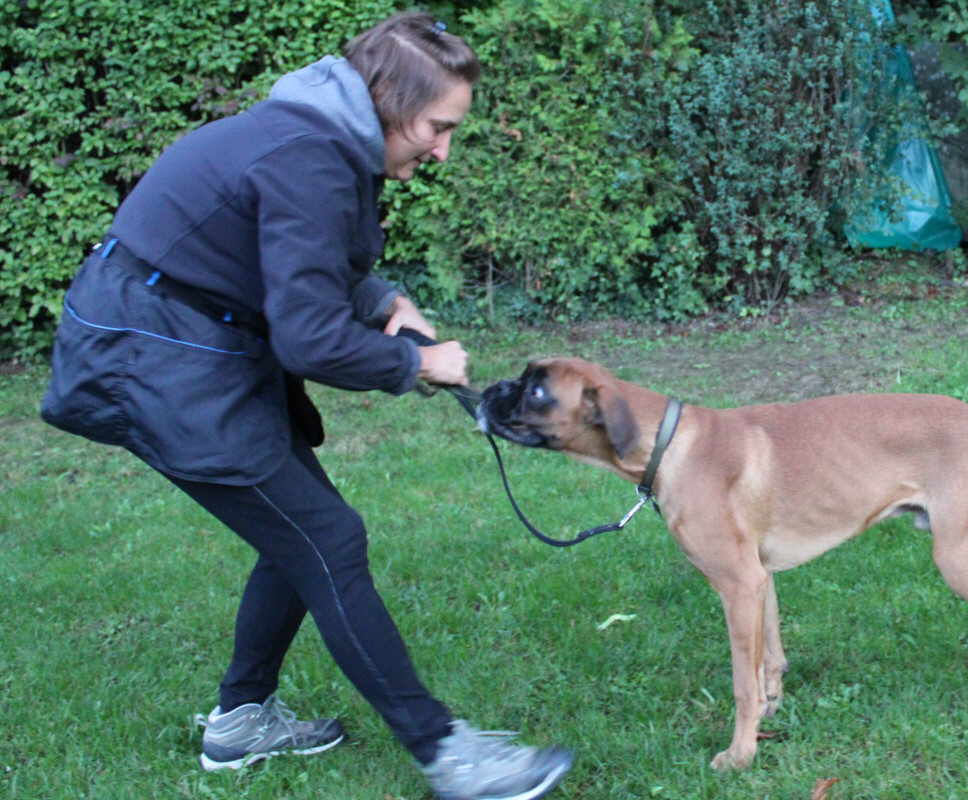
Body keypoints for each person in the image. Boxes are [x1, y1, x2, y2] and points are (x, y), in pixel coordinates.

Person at [40, 10, 573, 800]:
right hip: (156, 360)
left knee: (299, 532)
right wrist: (416, 362)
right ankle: (449, 756)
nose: (443, 150)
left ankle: (240, 721)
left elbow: (297, 263)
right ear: (390, 102)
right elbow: (310, 339)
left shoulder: (318, 137)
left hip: (190, 345)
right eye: (438, 127)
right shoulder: (310, 157)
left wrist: (386, 301)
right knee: (327, 537)